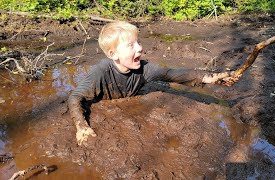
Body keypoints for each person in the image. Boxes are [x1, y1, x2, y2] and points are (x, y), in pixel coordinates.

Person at [68, 21, 231, 146]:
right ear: (113, 54)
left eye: (138, 42)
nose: (139, 48)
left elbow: (170, 74)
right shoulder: (100, 72)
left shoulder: (144, 68)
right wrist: (81, 126)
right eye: (131, 45)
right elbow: (75, 97)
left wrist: (208, 77)